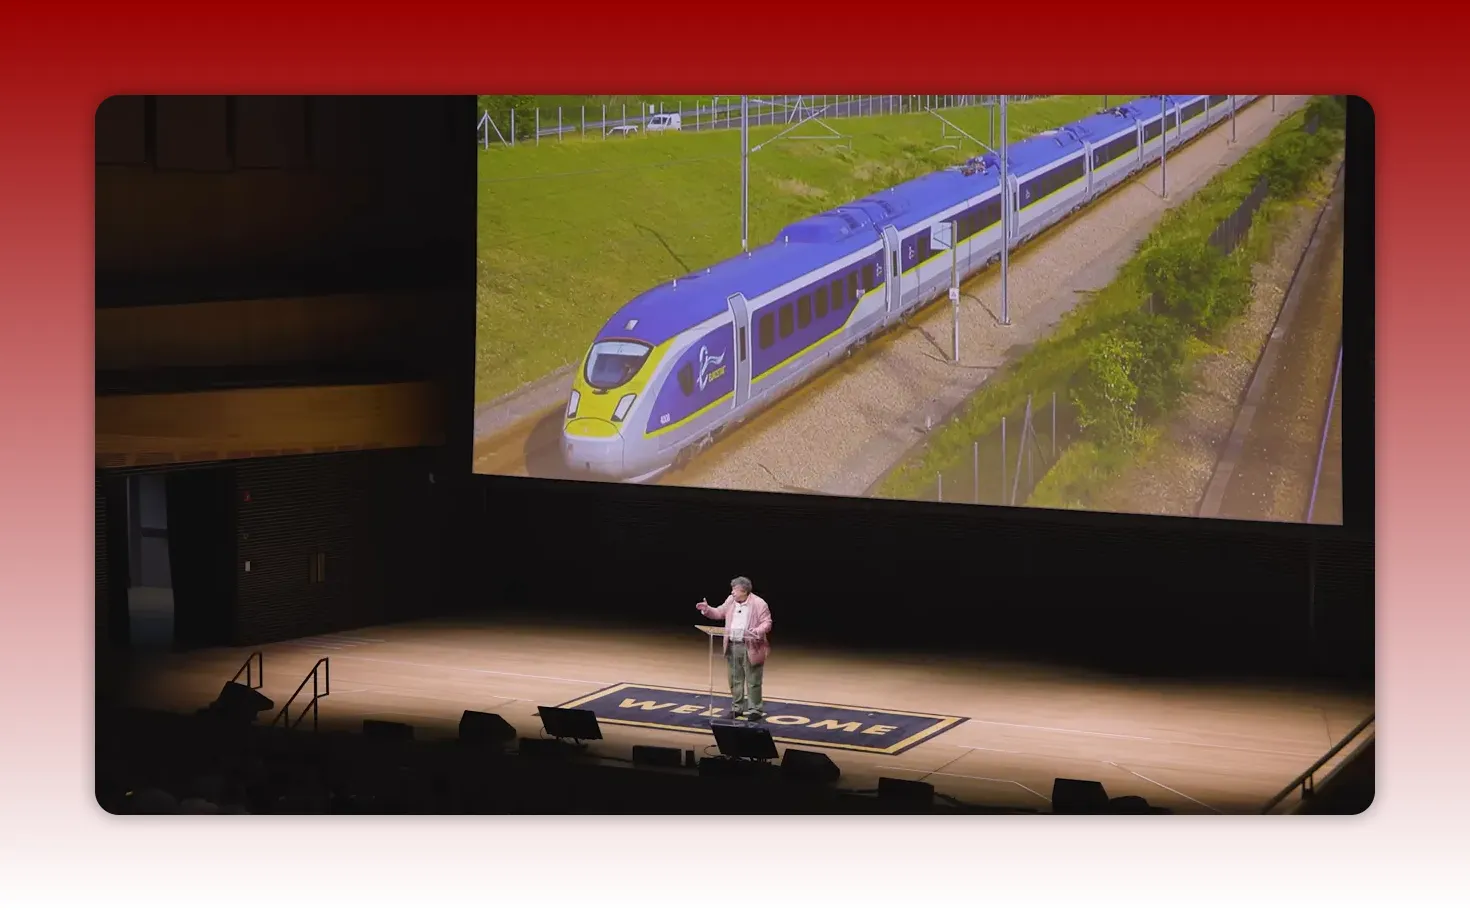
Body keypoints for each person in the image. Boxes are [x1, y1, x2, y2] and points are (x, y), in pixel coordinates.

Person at [696, 576, 772, 721]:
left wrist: (757, 631)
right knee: (735, 679)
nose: (732, 593)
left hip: (751, 646)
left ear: (744, 591)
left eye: (735, 590)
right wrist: (707, 610)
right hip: (732, 645)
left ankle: (755, 710)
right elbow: (719, 612)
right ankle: (737, 708)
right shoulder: (731, 601)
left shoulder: (759, 603)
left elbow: (767, 623)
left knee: (753, 680)